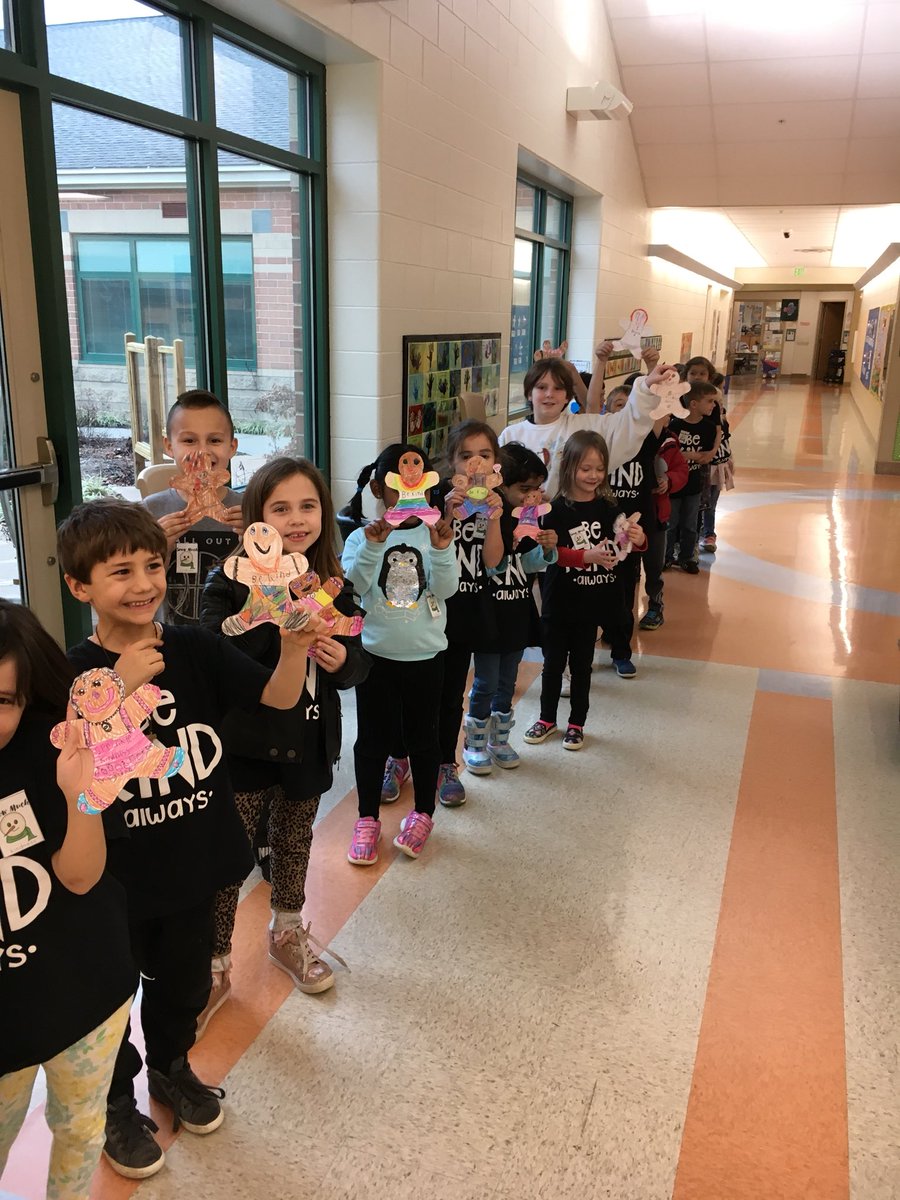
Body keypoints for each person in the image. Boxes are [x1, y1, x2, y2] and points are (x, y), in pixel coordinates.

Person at [58, 498, 317, 1180]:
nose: (144, 584)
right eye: (121, 572)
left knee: (182, 984)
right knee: (110, 998)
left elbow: (280, 700)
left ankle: (172, 1067)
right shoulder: (71, 675)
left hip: (195, 860)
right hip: (115, 878)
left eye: (152, 565)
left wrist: (292, 651)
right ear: (79, 586)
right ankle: (115, 1100)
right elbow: (71, 761)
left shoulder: (194, 647)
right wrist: (116, 687)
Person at [197, 457, 369, 1031]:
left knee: (296, 841)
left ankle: (288, 931)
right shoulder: (228, 584)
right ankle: (214, 961)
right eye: (280, 508)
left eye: (308, 506)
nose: (296, 519)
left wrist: (345, 660)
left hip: (311, 738)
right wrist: (279, 632)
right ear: (255, 520)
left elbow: (359, 655)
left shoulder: (329, 582)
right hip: (244, 746)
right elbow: (215, 657)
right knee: (226, 858)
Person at [0, 600, 136, 1200]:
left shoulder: (46, 753)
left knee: (80, 1130)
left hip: (83, 993)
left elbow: (79, 878)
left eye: (3, 700)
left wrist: (85, 797)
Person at [341, 445, 458, 864]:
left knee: (424, 739)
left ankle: (423, 813)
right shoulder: (361, 536)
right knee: (371, 741)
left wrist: (443, 550)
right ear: (380, 487)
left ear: (428, 484)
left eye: (419, 475)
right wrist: (374, 545)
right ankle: (367, 818)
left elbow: (445, 590)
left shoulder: (435, 533)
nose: (409, 485)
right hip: (375, 657)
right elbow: (354, 585)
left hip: (426, 657)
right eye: (398, 479)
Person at [524, 431, 646, 751]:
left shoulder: (609, 509)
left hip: (590, 604)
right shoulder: (553, 511)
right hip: (558, 601)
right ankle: (547, 718)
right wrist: (585, 557)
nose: (593, 475)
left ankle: (577, 723)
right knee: (551, 666)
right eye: (585, 468)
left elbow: (627, 546)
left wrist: (636, 536)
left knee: (581, 666)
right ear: (569, 469)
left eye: (599, 468)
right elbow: (551, 555)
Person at [465, 442, 558, 769]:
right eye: (524, 488)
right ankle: (474, 743)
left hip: (518, 614)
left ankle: (499, 739)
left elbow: (530, 565)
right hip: (490, 618)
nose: (532, 495)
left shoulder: (530, 521)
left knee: (507, 681)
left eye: (537, 488)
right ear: (501, 485)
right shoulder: (489, 520)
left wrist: (546, 548)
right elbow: (489, 565)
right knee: (486, 681)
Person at [499, 357, 672, 498]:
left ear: (567, 396)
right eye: (542, 387)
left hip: (570, 523)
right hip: (521, 527)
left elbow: (626, 424)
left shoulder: (584, 427)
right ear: (529, 393)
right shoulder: (511, 435)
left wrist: (646, 387)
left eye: (558, 388)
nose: (550, 394)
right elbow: (499, 484)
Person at [144, 389, 243, 624]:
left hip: (236, 644)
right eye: (189, 440)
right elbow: (134, 584)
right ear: (169, 446)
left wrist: (258, 541)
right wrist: (160, 549)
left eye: (215, 440)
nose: (202, 451)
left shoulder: (249, 511)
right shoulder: (150, 511)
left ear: (232, 446)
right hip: (170, 640)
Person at [639, 420, 689, 631]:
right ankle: (621, 612)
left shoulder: (668, 443)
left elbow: (681, 471)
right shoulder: (622, 438)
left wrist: (668, 481)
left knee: (653, 566)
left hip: (656, 518)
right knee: (623, 569)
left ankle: (655, 606)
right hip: (624, 519)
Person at [666, 382, 719, 573]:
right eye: (710, 401)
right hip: (673, 484)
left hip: (694, 484)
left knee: (690, 525)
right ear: (694, 404)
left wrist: (690, 455)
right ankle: (666, 556)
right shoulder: (675, 425)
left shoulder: (708, 428)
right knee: (670, 524)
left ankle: (687, 557)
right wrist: (689, 456)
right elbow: (668, 453)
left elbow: (706, 457)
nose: (713, 405)